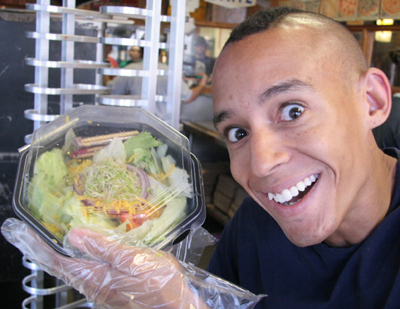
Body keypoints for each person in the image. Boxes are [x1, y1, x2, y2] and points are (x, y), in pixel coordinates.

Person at [2, 6, 400, 308]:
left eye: (292, 111)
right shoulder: (254, 226)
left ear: (372, 101)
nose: (260, 165)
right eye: (238, 133)